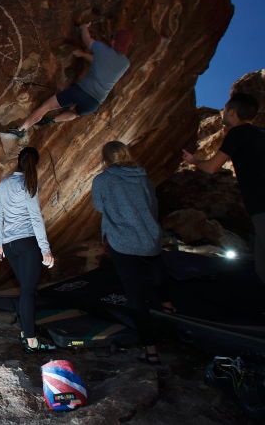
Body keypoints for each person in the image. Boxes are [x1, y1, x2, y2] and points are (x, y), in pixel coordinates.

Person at [92, 141, 165, 364]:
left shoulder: (103, 180)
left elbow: (99, 207)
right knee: (158, 287)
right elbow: (153, 205)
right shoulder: (143, 177)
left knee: (136, 297)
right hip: (150, 239)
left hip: (123, 242)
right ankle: (170, 319)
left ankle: (151, 350)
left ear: (104, 158)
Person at [182, 92, 265, 283]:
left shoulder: (237, 133)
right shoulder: (260, 132)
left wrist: (194, 160)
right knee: (261, 265)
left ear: (232, 113)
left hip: (262, 206)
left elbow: (211, 167)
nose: (223, 113)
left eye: (225, 110)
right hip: (258, 209)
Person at [6, 23, 132, 138]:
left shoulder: (101, 49)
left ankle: (21, 129)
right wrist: (83, 55)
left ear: (114, 40)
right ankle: (51, 121)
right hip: (94, 103)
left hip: (81, 91)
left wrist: (84, 28)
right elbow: (102, 63)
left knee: (47, 106)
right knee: (75, 114)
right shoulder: (125, 64)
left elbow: (87, 40)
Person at [0, 146, 56, 353]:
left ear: (17, 161)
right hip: (28, 244)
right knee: (28, 291)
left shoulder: (3, 184)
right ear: (34, 164)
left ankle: (24, 332)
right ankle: (32, 341)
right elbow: (36, 218)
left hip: (10, 245)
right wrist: (45, 249)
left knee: (25, 290)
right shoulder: (28, 184)